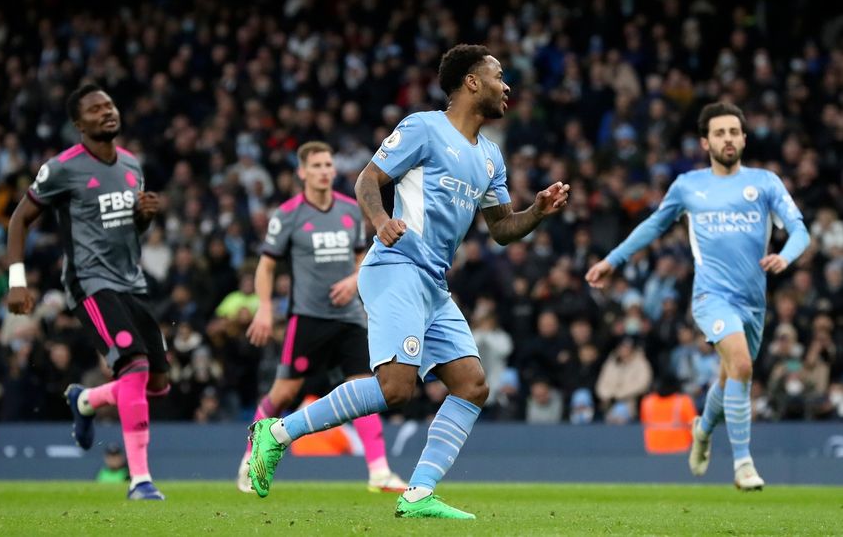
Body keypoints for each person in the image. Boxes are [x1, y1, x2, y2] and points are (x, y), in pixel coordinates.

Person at [247, 44, 570, 519]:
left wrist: (536, 212)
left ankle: (418, 493)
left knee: (472, 384)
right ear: (472, 82)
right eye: (499, 76)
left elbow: (501, 229)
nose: (508, 86)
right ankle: (275, 434)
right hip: (396, 266)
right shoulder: (424, 127)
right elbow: (366, 180)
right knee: (396, 388)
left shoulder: (492, 158)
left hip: (434, 284)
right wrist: (380, 222)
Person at [586, 102, 810, 491]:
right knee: (740, 365)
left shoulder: (766, 182)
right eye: (720, 133)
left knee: (730, 379)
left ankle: (702, 430)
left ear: (744, 138)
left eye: (734, 132)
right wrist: (612, 260)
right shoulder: (688, 186)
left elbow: (800, 231)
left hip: (754, 304)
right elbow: (653, 226)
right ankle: (743, 464)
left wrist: (785, 257)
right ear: (706, 142)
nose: (727, 139)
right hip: (711, 298)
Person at [6, 83, 168, 500]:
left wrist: (143, 218)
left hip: (131, 281)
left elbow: (129, 231)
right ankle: (141, 481)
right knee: (132, 365)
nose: (107, 112)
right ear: (79, 124)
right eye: (96, 110)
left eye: (110, 105)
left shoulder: (132, 164)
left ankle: (86, 401)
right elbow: (20, 220)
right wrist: (18, 281)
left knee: (158, 382)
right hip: (90, 283)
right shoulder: (62, 168)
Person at [237, 141, 406, 494]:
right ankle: (251, 456)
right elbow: (267, 266)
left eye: (328, 164)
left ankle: (378, 471)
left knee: (366, 387)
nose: (325, 170)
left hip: (349, 318)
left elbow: (363, 260)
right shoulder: (288, 215)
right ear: (302, 172)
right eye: (316, 165)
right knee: (284, 392)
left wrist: (352, 279)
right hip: (308, 318)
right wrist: (266, 308)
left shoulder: (349, 211)